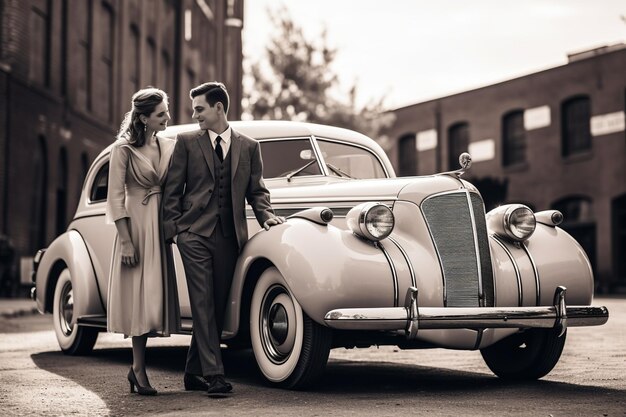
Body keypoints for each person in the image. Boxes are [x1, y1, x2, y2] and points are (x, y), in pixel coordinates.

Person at [162, 81, 283, 395]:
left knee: (215, 306)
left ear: (219, 108)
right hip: (194, 235)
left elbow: (257, 192)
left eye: (199, 108)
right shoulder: (187, 142)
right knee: (202, 303)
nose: (194, 115)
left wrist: (266, 215)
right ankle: (215, 375)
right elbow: (172, 192)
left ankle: (192, 373)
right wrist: (175, 231)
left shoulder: (249, 147)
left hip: (230, 237)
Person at [106, 87, 179, 396]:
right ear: (145, 118)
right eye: (161, 114)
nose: (168, 118)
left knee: (153, 300)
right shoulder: (122, 149)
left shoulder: (167, 144)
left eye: (166, 112)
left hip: (158, 227)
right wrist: (125, 241)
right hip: (135, 228)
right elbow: (115, 196)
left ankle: (137, 369)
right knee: (139, 301)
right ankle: (138, 369)